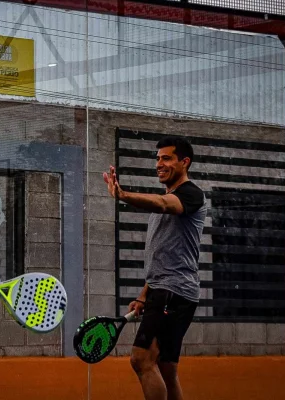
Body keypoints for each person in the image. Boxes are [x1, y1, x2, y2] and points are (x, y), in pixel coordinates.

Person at [103, 136, 207, 400]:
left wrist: (123, 195)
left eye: (167, 158)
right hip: (168, 291)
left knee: (141, 360)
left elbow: (162, 204)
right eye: (158, 158)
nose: (159, 164)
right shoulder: (171, 197)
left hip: (172, 293)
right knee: (166, 368)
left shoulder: (191, 194)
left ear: (185, 162)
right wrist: (144, 295)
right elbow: (166, 256)